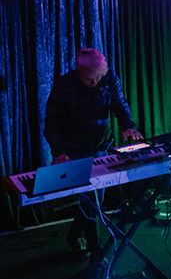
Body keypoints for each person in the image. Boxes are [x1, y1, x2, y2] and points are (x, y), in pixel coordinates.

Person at [44, 48, 143, 258]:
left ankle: (74, 235)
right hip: (75, 149)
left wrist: (128, 126)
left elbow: (119, 103)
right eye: (92, 79)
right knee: (91, 200)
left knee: (93, 199)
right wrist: (59, 152)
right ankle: (97, 254)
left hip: (102, 147)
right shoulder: (64, 86)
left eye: (100, 77)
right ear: (80, 71)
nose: (97, 82)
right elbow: (52, 123)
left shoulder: (108, 76)